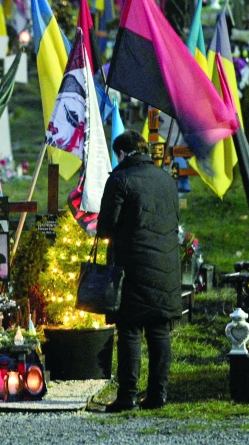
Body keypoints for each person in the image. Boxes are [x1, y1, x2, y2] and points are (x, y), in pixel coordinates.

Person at [97, 130, 182, 412]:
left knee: (130, 330)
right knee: (159, 330)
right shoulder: (167, 179)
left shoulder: (120, 179)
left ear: (122, 153)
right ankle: (158, 395)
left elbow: (106, 226)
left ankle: (127, 396)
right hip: (166, 266)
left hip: (132, 266)